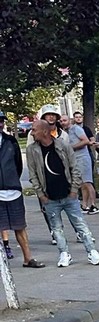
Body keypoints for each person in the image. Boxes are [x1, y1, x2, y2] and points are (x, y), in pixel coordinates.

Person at [27, 120, 99, 267]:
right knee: (56, 228)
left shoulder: (62, 145)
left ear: (44, 131)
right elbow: (33, 174)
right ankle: (64, 253)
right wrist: (41, 195)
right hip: (49, 197)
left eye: (34, 129)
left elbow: (74, 168)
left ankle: (92, 252)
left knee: (80, 224)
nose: (31, 132)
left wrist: (74, 190)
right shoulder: (32, 150)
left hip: (68, 194)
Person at [0, 111, 44, 268]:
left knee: (20, 226)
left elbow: (18, 163)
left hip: (13, 190)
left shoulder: (10, 141)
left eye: (1, 121)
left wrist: (12, 180)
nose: (0, 124)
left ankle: (28, 258)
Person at [28, 105, 71, 245]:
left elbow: (69, 157)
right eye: (48, 115)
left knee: (70, 205)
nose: (51, 117)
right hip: (45, 177)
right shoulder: (33, 135)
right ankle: (55, 231)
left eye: (53, 115)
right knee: (48, 208)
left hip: (62, 176)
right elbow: (31, 157)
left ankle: (78, 231)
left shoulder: (63, 135)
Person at [60, 115, 99, 214]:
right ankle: (84, 205)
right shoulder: (65, 132)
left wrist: (71, 148)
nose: (62, 122)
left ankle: (94, 205)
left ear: (70, 120)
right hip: (75, 159)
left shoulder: (76, 129)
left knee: (87, 182)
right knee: (81, 183)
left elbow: (86, 141)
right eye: (61, 121)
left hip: (82, 158)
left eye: (64, 120)